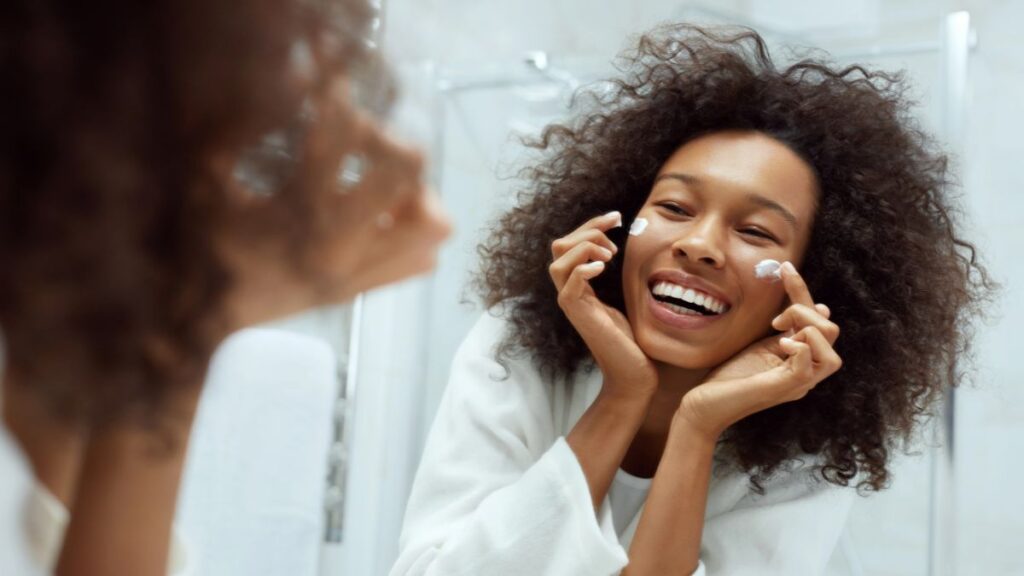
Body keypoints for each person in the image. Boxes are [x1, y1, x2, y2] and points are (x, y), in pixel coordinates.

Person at [391, 24, 995, 576]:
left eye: (755, 232)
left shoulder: (804, 455)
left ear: (817, 284)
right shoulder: (515, 347)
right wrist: (623, 395)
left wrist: (698, 426)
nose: (699, 245)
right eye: (675, 208)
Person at [1, 0, 450, 574]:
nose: (226, 188)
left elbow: (48, 538)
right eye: (217, 141)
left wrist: (185, 323)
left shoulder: (41, 337)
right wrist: (187, 327)